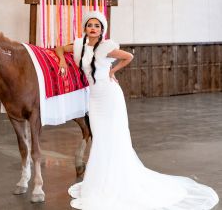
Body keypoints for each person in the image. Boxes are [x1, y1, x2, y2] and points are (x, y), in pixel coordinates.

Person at [55, 11, 219, 210]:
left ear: (102, 29)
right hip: (95, 97)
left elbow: (128, 56)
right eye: (90, 25)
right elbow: (60, 48)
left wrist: (112, 71)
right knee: (99, 137)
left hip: (109, 95)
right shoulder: (80, 45)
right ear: (85, 27)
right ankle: (100, 180)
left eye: (97, 26)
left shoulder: (106, 47)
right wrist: (62, 60)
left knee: (113, 137)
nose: (93, 28)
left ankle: (114, 181)